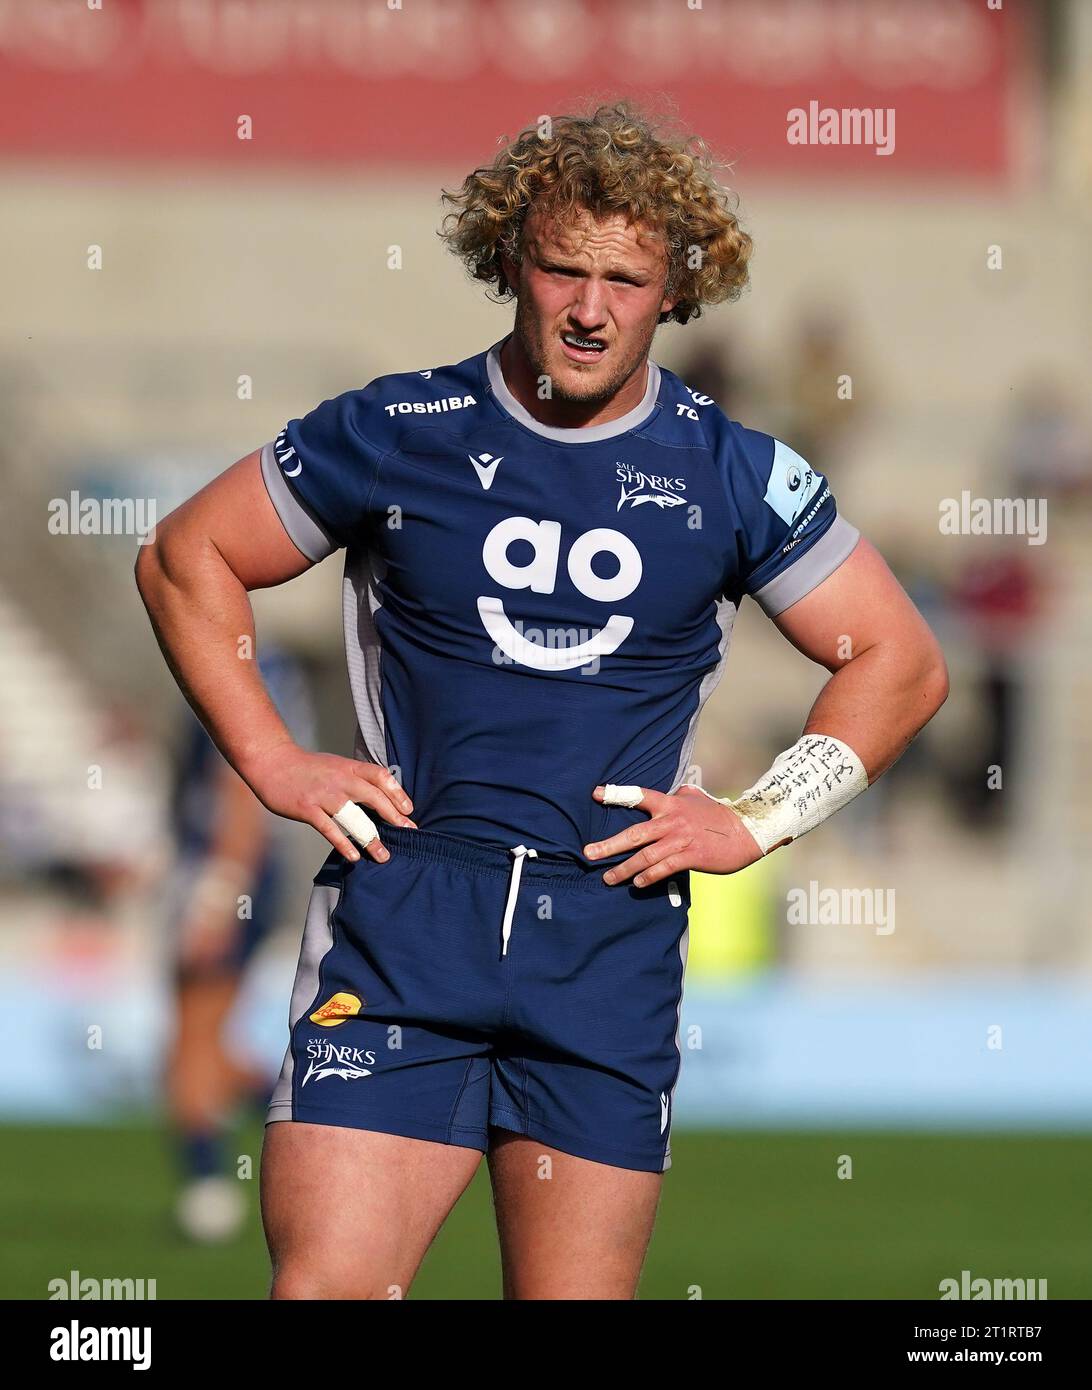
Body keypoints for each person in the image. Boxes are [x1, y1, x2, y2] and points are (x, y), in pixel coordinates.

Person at [134, 102, 948, 1299]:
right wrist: (273, 758)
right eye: (562, 266)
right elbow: (184, 558)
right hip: (407, 911)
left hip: (606, 937)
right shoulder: (396, 428)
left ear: (677, 288)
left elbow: (901, 660)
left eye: (625, 278)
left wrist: (759, 817)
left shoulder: (733, 472)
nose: (587, 306)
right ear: (508, 261)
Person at [163, 642, 315, 1241]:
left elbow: (237, 783)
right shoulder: (270, 661)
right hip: (237, 872)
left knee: (193, 1032)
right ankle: (304, 1115)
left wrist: (221, 889)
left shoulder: (239, 658)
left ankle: (206, 1182)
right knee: (202, 1038)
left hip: (227, 873)